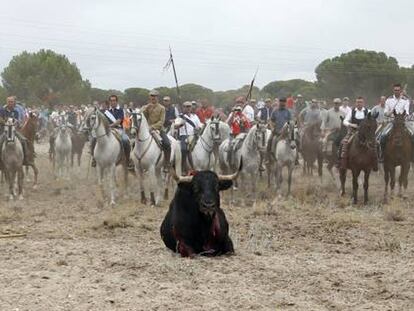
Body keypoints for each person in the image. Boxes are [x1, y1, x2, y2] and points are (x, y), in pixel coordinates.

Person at [378, 84, 413, 161]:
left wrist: (402, 117)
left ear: (400, 91)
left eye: (398, 90)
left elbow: (407, 112)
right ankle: (382, 155)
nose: (396, 91)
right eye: (395, 90)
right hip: (392, 122)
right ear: (393, 90)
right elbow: (385, 112)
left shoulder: (405, 100)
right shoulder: (389, 100)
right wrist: (389, 113)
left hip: (403, 122)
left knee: (413, 135)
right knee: (383, 136)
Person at [338, 96, 372, 169]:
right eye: (357, 102)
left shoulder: (368, 111)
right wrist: (351, 124)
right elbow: (345, 121)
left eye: (360, 102)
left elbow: (372, 121)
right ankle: (341, 162)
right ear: (355, 103)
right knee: (343, 143)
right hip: (353, 132)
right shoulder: (352, 111)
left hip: (365, 134)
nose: (359, 104)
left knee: (376, 143)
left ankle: (375, 162)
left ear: (363, 103)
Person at [141, 90, 171, 171]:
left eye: (155, 96)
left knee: (167, 143)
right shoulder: (146, 107)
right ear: (149, 97)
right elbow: (140, 116)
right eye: (152, 96)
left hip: (158, 129)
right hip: (146, 130)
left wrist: (152, 127)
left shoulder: (162, 108)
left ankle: (166, 163)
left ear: (158, 97)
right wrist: (145, 108)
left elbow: (161, 121)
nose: (153, 98)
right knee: (134, 142)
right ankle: (134, 161)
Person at [100, 94, 132, 168]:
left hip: (118, 129)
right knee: (98, 138)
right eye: (111, 100)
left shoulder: (120, 110)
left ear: (117, 101)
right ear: (109, 102)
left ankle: (128, 159)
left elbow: (119, 121)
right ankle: (96, 158)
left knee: (125, 140)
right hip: (108, 130)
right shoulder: (107, 111)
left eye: (114, 100)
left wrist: (110, 126)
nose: (112, 102)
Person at [0, 96, 30, 165]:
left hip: (13, 131)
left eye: (12, 102)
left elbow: (16, 120)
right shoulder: (2, 110)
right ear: (6, 102)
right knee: (0, 141)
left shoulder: (15, 112)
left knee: (23, 140)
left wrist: (16, 123)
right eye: (9, 101)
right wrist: (5, 122)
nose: (10, 103)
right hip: (4, 130)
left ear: (14, 103)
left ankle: (25, 158)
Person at [175, 101, 202, 172]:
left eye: (189, 106)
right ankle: (184, 168)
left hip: (194, 135)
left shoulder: (195, 116)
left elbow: (199, 126)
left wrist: (198, 128)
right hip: (184, 135)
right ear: (183, 107)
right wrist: (181, 124)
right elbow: (175, 126)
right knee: (184, 149)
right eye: (186, 107)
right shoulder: (180, 116)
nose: (188, 108)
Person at [226, 104, 251, 169]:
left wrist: (246, 132)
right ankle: (230, 161)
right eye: (237, 110)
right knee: (230, 147)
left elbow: (247, 126)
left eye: (239, 110)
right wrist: (232, 115)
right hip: (233, 135)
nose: (238, 111)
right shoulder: (232, 116)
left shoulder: (243, 117)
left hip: (242, 135)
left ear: (241, 110)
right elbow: (228, 123)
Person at [266, 97, 291, 162]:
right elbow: (271, 120)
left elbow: (291, 121)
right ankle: (269, 157)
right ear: (279, 102)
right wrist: (272, 128)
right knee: (270, 140)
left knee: (295, 140)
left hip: (286, 132)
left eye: (284, 102)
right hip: (276, 132)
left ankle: (295, 158)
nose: (282, 103)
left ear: (285, 103)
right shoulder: (275, 111)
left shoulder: (287, 111)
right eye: (281, 102)